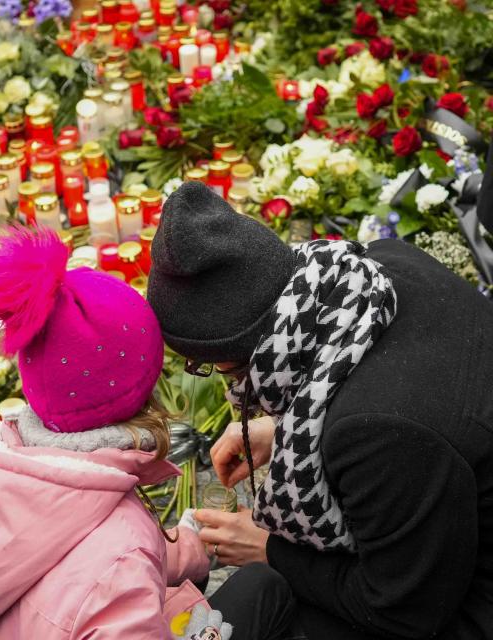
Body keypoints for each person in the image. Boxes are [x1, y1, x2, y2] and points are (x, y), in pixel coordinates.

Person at [146, 181, 493, 640]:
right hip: (449, 505)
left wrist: (271, 550)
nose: (222, 380)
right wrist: (286, 426)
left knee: (261, 598)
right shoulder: (376, 264)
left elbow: (404, 612)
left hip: (471, 597)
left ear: (246, 352)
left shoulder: (375, 434)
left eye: (204, 365)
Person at [0, 226, 220, 639]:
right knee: (263, 592)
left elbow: (78, 552)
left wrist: (189, 547)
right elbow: (114, 563)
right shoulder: (123, 549)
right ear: (144, 391)